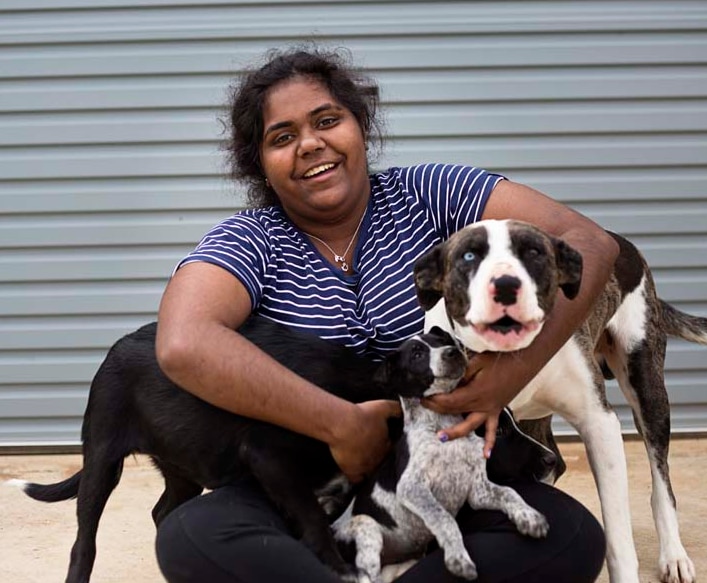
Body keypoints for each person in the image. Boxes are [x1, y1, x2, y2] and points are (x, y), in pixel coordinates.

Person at [154, 46, 617, 583]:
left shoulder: (429, 193)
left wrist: (509, 376)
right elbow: (184, 342)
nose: (310, 144)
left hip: (447, 470)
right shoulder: (251, 239)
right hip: (308, 483)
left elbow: (591, 243)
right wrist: (340, 424)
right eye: (282, 138)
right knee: (192, 536)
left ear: (360, 126)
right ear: (259, 162)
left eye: (327, 121)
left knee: (570, 538)